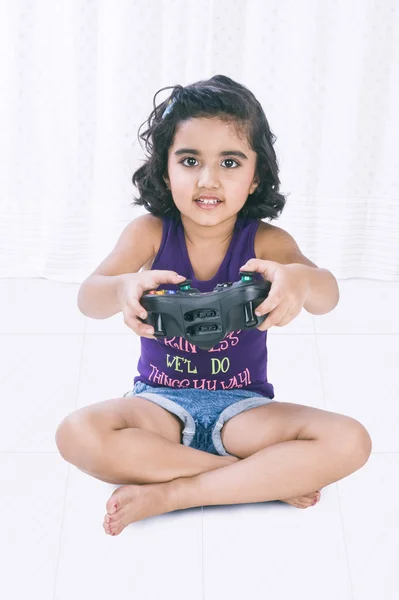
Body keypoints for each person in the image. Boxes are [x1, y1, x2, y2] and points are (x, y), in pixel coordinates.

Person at [55, 75, 372, 536]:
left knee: (352, 441)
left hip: (243, 412)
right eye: (189, 160)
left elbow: (329, 295)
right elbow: (89, 298)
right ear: (166, 171)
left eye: (229, 161)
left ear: (256, 174)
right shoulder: (148, 233)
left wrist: (300, 282)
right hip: (158, 405)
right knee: (75, 433)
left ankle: (174, 491)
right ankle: (255, 479)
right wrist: (122, 287)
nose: (209, 179)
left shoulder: (266, 240)